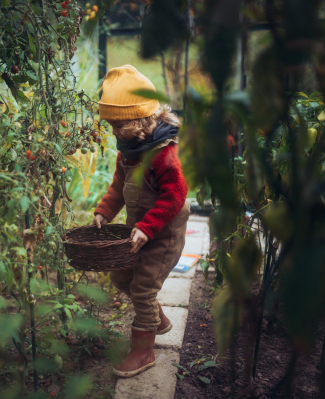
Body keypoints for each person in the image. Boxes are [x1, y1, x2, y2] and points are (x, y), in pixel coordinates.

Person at [91, 65, 190, 378]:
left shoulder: (163, 155)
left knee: (144, 288)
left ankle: (143, 350)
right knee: (121, 278)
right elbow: (118, 184)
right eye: (112, 126)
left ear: (144, 118)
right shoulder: (130, 151)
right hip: (141, 231)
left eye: (121, 125)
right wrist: (104, 211)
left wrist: (148, 228)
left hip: (163, 235)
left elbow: (175, 197)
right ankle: (157, 320)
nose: (116, 132)